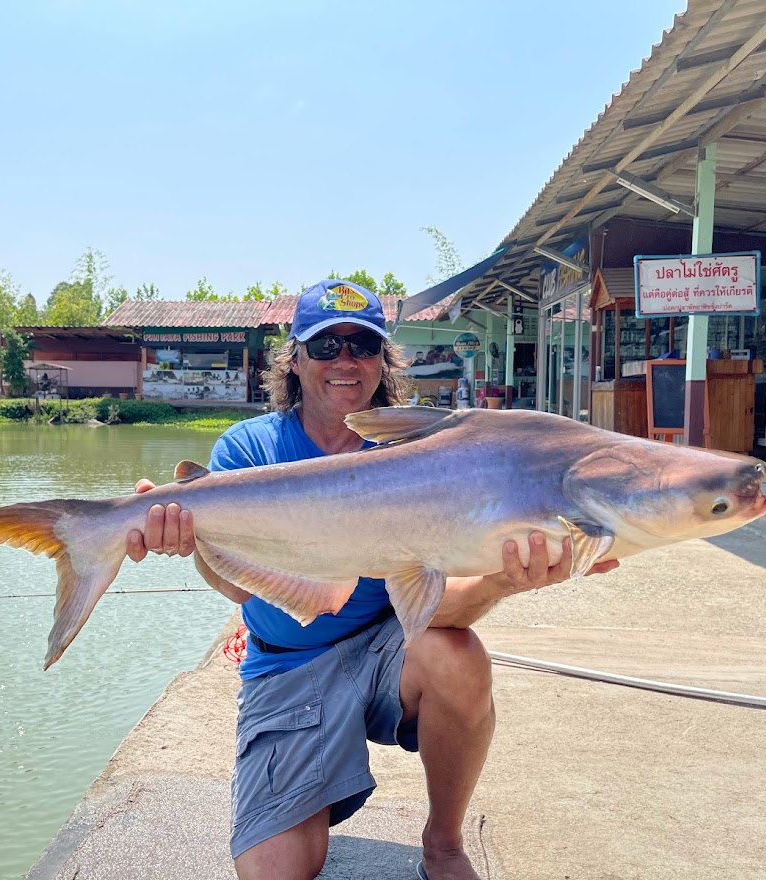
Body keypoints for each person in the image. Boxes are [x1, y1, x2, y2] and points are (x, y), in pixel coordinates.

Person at [125, 280, 618, 880]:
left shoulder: (424, 452)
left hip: (386, 653)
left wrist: (502, 582)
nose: (345, 361)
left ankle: (443, 842)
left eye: (363, 345)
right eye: (326, 344)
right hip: (287, 666)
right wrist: (192, 544)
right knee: (275, 871)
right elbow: (240, 591)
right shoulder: (248, 448)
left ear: (383, 361)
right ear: (296, 359)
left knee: (457, 656)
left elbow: (434, 607)